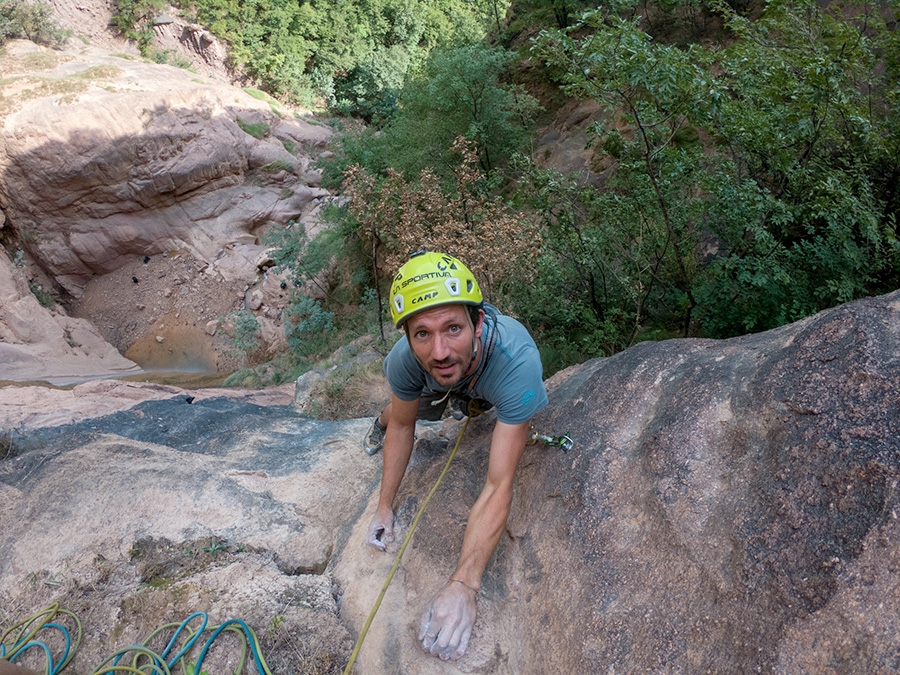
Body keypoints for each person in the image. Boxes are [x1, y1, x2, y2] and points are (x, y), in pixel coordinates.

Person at [363, 249, 548, 661]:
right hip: (435, 388)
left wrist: (464, 585)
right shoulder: (406, 362)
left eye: (453, 328)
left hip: (487, 379)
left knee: (489, 405)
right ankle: (376, 420)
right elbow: (404, 426)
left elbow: (500, 483)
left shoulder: (517, 363)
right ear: (408, 338)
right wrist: (383, 506)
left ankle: (472, 401)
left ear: (478, 322)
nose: (440, 349)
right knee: (399, 410)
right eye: (422, 334)